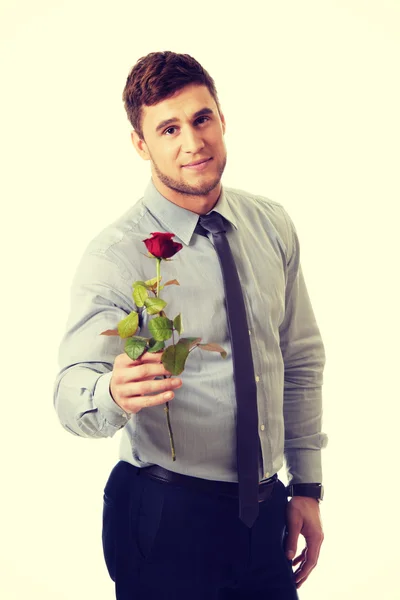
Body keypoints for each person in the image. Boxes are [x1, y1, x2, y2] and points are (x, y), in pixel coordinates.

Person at [53, 51, 327, 599]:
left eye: (202, 119)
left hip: (267, 513)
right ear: (141, 144)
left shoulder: (271, 224)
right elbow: (68, 396)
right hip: (167, 516)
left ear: (222, 118)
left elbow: (298, 359)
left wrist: (308, 485)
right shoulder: (117, 255)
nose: (192, 143)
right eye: (169, 128)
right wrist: (112, 390)